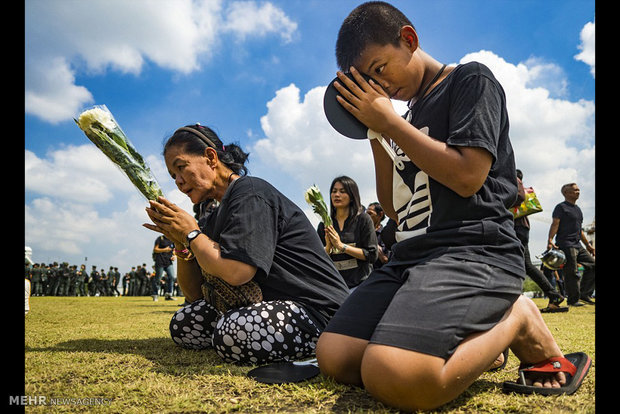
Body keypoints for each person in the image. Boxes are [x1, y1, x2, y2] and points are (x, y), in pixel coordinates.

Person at [315, 2, 590, 411]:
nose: (381, 86)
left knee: (392, 375)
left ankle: (516, 317)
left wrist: (392, 124)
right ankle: (471, 343)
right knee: (335, 356)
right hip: (413, 256)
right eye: (369, 82)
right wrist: (375, 130)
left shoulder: (470, 79)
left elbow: (467, 176)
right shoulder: (405, 115)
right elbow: (393, 206)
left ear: (408, 40)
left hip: (472, 250)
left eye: (380, 68)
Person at [143, 123, 349, 364]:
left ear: (210, 157)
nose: (177, 181)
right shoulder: (215, 214)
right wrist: (181, 243)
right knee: (184, 323)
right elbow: (194, 293)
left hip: (319, 311)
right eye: (173, 175)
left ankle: (324, 342)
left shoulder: (250, 192)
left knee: (232, 331)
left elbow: (238, 273)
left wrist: (191, 234)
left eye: (181, 167)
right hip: (275, 306)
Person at [513, 170, 565, 312]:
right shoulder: (516, 182)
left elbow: (519, 197)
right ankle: (553, 295)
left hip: (516, 228)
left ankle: (553, 295)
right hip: (519, 228)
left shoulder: (514, 180)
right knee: (525, 265)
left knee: (522, 264)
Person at [317, 176, 378, 289]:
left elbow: (372, 255)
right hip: (334, 287)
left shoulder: (363, 220)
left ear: (352, 196)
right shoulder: (324, 225)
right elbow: (317, 259)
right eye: (334, 191)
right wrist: (328, 248)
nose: (337, 195)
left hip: (360, 286)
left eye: (342, 191)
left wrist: (341, 246)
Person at [547, 183, 595, 307]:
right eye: (575, 190)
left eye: (578, 189)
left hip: (578, 244)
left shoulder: (578, 209)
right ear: (566, 193)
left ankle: (585, 294)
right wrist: (550, 239)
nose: (578, 192)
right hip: (566, 244)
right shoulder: (561, 207)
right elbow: (555, 224)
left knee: (593, 265)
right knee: (572, 272)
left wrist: (588, 246)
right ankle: (573, 300)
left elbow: (580, 230)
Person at [366, 202, 391, 268]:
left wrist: (371, 242)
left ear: (380, 214)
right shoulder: (362, 232)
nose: (367, 217)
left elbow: (385, 259)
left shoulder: (386, 234)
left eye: (370, 213)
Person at [152, 235, 176, 301]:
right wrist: (165, 249)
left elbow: (174, 250)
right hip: (160, 261)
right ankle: (155, 294)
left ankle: (169, 294)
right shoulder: (160, 238)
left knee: (172, 277)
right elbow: (155, 249)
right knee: (158, 278)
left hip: (168, 262)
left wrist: (174, 256)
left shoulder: (172, 239)